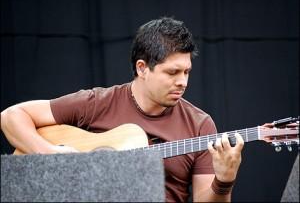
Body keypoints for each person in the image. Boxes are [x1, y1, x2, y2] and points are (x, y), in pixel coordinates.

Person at [1, 17, 244, 202]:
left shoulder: (200, 125)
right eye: (172, 72)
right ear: (142, 68)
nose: (183, 81)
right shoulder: (97, 103)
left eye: (187, 72)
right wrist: (51, 157)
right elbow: (12, 116)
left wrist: (224, 181)